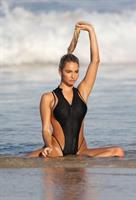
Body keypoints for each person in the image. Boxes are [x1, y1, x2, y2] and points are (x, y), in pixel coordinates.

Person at [27, 22, 125, 158]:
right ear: (60, 72)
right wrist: (48, 145)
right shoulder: (49, 97)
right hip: (56, 150)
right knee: (25, 160)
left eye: (76, 71)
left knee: (118, 151)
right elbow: (45, 129)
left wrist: (91, 31)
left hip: (81, 151)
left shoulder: (82, 92)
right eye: (68, 71)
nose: (73, 76)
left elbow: (95, 61)